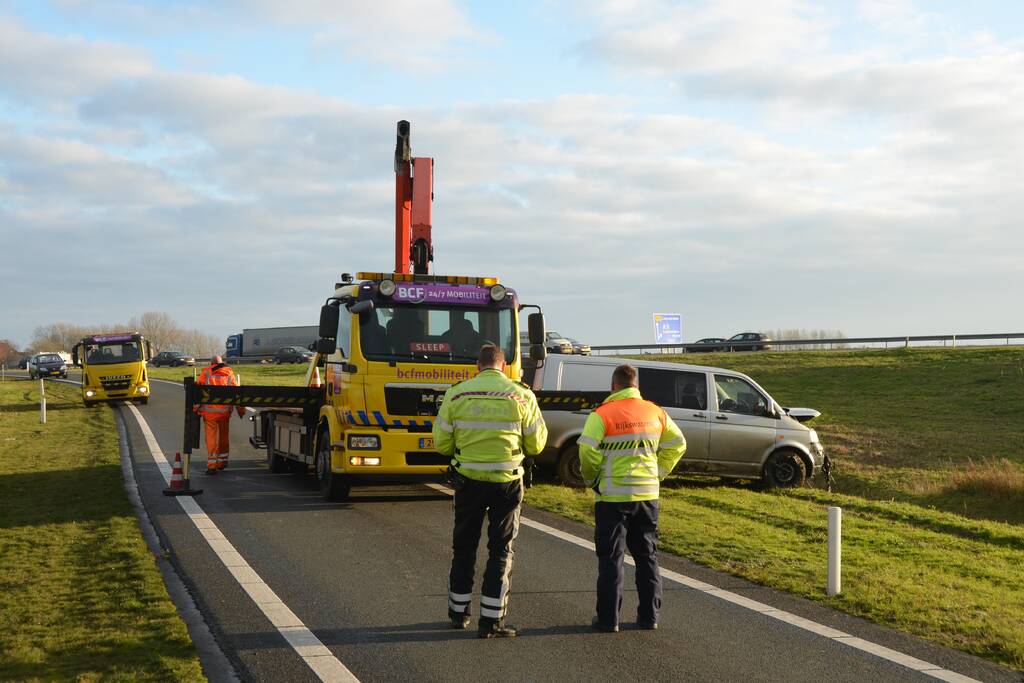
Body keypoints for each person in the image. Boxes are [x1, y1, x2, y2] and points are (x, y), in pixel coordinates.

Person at [432, 344, 547, 639]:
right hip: (507, 483)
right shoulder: (522, 395)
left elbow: (442, 444)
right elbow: (536, 445)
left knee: (464, 547)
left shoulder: (457, 394)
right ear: (504, 365)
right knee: (501, 550)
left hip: (468, 481)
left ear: (477, 365)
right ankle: (492, 621)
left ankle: (459, 614)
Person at [578, 364, 686, 632]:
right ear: (636, 386)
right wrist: (658, 472)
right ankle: (649, 617)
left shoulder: (602, 414)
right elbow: (678, 444)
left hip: (612, 496)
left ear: (613, 386)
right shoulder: (655, 412)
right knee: (647, 556)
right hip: (647, 495)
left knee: (611, 558)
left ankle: (608, 620)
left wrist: (593, 480)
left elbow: (587, 452)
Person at [195, 355, 245, 474]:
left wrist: (195, 409)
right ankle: (222, 462)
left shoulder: (206, 373)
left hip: (209, 414)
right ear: (222, 363)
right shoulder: (229, 374)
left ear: (211, 363)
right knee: (224, 437)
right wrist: (241, 410)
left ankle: (212, 466)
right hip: (224, 413)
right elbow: (237, 393)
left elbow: (197, 392)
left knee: (211, 439)